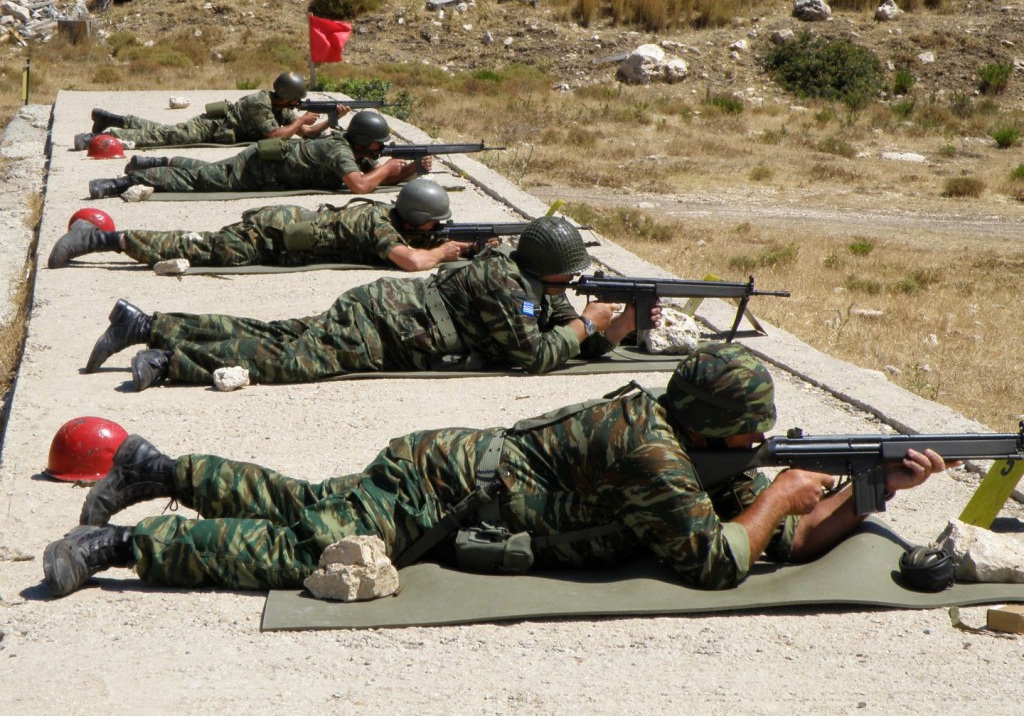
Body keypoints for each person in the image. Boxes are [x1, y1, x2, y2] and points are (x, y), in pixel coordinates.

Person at [41, 342, 959, 597]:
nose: (761, 452)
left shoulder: (678, 436)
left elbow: (779, 537)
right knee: (306, 547)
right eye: (754, 439)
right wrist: (788, 492)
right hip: (444, 488)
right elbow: (719, 561)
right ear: (724, 431)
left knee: (308, 501)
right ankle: (126, 548)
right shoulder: (652, 454)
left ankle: (156, 468)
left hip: (448, 465)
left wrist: (870, 490)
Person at [81, 217, 646, 389]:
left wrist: (616, 327)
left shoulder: (531, 280)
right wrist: (587, 322)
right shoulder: (508, 286)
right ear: (551, 270)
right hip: (384, 329)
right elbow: (535, 356)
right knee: (288, 361)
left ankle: (150, 325)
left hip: (385, 309)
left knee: (274, 334)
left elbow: (564, 335)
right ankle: (171, 362)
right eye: (570, 273)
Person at [47, 179, 472, 272]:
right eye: (434, 224)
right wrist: (443, 251)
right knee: (197, 247)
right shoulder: (375, 224)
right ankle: (102, 239)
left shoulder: (386, 216)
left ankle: (105, 238)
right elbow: (412, 262)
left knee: (199, 245)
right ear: (418, 220)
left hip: (283, 223)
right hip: (267, 238)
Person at [86, 111, 427, 199]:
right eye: (378, 144)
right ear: (366, 142)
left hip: (265, 162)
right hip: (257, 169)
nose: (380, 150)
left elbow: (375, 176)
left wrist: (411, 169)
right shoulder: (339, 150)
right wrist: (389, 168)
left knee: (209, 170)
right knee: (203, 180)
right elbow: (361, 186)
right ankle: (124, 182)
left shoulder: (352, 150)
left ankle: (161, 161)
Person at [73, 72, 339, 151]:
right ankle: (96, 139)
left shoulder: (280, 105)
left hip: (219, 128)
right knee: (165, 137)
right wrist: (302, 120)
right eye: (297, 99)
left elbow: (306, 132)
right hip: (211, 128)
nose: (299, 103)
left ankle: (112, 119)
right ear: (288, 97)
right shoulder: (260, 103)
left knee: (163, 131)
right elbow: (275, 136)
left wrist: (331, 118)